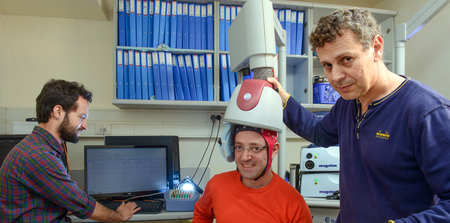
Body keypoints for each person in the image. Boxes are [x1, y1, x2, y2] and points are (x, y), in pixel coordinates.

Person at [267, 7, 450, 222]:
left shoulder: (427, 113)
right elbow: (319, 133)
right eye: (327, 65)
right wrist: (283, 99)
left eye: (346, 59)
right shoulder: (349, 102)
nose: (335, 77)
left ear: (377, 48)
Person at [0, 79, 140, 222]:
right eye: (81, 117)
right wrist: (119, 216)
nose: (84, 126)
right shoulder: (39, 155)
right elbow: (83, 205)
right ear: (58, 111)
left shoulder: (38, 147)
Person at [193, 125, 313, 222]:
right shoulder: (216, 185)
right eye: (239, 147)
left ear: (274, 150)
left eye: (255, 148)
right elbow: (201, 214)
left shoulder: (295, 205)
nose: (245, 157)